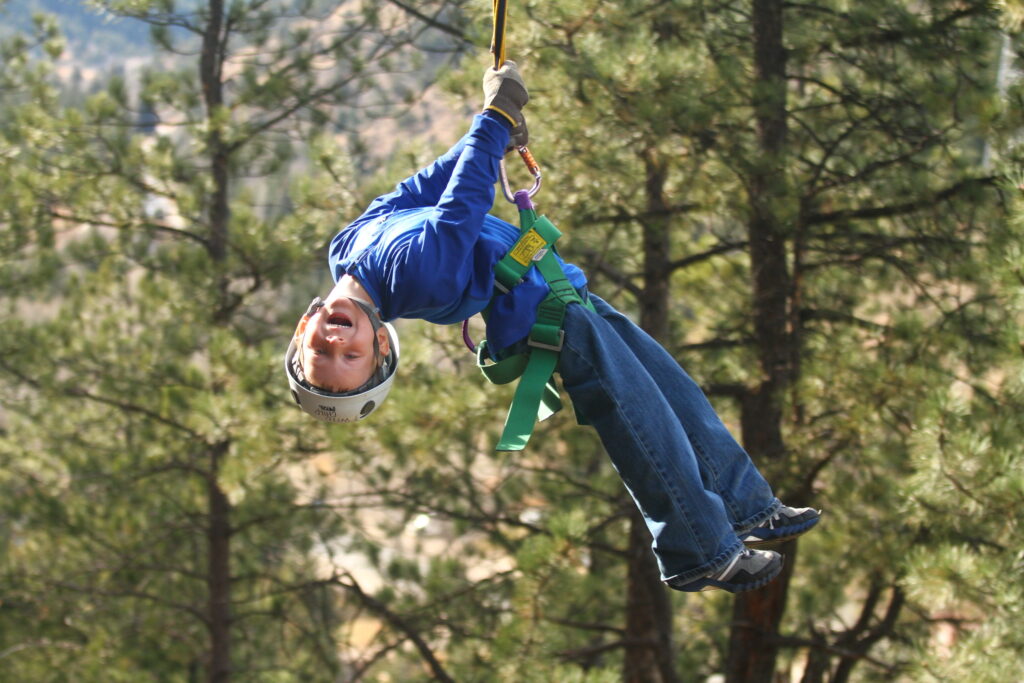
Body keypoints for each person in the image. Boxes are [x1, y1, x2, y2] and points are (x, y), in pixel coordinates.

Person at [284, 62, 820, 593]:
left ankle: (750, 505)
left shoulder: (345, 250)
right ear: (380, 344)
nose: (335, 343)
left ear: (305, 328)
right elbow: (464, 201)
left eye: (321, 353)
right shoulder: (417, 278)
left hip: (562, 290)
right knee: (643, 419)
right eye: (349, 358)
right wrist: (494, 117)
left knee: (675, 391)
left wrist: (497, 126)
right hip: (554, 322)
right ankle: (702, 552)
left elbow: (430, 184)